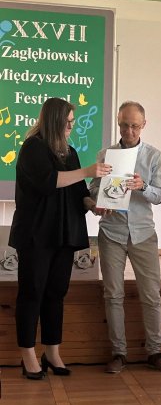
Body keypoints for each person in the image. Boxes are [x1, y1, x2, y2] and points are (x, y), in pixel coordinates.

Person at [9, 97, 110, 380]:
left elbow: (78, 192)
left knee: (56, 293)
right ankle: (28, 354)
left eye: (73, 122)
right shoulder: (33, 147)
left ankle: (52, 351)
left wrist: (94, 205)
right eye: (67, 122)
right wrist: (88, 171)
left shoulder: (70, 152)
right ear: (54, 121)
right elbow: (49, 181)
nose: (71, 127)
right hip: (37, 233)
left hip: (64, 232)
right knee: (32, 292)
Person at [89, 101, 161, 374]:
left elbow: (159, 196)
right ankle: (118, 353)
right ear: (118, 122)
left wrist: (142, 186)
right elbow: (93, 189)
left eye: (135, 126)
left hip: (143, 233)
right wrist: (98, 202)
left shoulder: (154, 156)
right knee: (113, 294)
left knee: (151, 295)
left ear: (144, 125)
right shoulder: (105, 154)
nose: (129, 131)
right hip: (111, 231)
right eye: (124, 125)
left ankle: (155, 351)